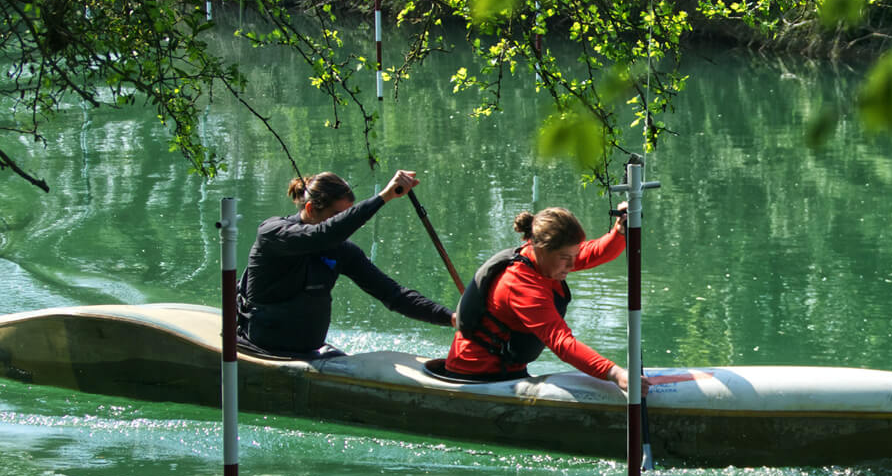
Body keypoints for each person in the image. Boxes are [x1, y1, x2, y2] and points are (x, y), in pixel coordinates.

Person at [236, 170, 455, 356]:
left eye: (347, 215)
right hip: (263, 346)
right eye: (338, 216)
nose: (346, 224)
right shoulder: (273, 233)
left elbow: (393, 295)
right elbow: (324, 234)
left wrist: (452, 318)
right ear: (311, 209)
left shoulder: (341, 250)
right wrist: (383, 197)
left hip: (310, 352)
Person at [445, 206, 647, 394]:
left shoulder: (546, 261)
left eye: (574, 255)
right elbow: (561, 341)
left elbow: (593, 252)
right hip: (476, 376)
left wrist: (619, 231)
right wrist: (615, 373)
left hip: (507, 371)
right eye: (565, 257)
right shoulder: (521, 284)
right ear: (540, 248)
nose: (572, 264)